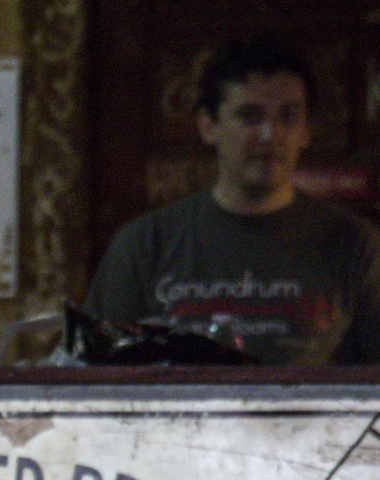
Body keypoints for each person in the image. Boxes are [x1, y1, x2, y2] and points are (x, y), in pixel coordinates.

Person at [82, 33, 380, 365]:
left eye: (288, 117)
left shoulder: (355, 245)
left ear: (307, 130)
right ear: (208, 126)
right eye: (250, 117)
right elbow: (95, 381)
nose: (270, 135)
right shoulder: (144, 246)